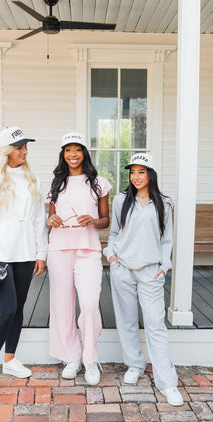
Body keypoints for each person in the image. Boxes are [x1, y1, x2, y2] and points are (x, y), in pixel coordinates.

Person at [103, 152, 183, 406]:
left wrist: (164, 265)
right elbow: (114, 233)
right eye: (133, 172)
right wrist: (111, 256)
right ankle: (134, 365)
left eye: (141, 171)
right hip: (123, 268)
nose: (136, 177)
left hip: (151, 271)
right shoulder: (120, 200)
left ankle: (167, 382)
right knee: (126, 320)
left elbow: (166, 240)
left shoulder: (164, 203)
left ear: (151, 174)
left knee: (155, 324)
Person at [0, 126, 48, 401]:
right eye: (19, 148)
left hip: (27, 254)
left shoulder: (32, 179)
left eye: (25, 147)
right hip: (3, 255)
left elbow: (39, 220)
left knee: (19, 309)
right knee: (6, 310)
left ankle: (10, 360)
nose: (24, 152)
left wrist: (42, 253)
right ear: (6, 150)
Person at [47, 132, 112, 385]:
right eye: (67, 150)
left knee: (88, 305)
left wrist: (93, 220)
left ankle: (90, 358)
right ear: (63, 155)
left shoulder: (99, 184)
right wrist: (49, 219)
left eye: (77, 149)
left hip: (88, 250)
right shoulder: (56, 184)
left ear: (85, 152)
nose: (72, 155)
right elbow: (51, 218)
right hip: (59, 250)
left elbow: (105, 221)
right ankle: (71, 357)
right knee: (62, 308)